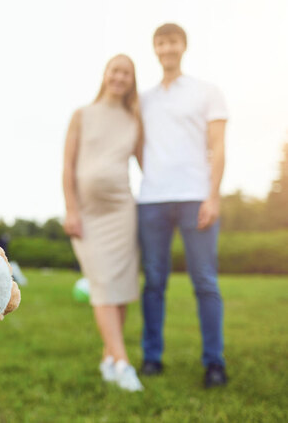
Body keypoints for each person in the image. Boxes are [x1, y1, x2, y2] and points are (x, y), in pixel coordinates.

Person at [138, 23, 228, 388]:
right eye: (161, 42)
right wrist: (154, 176)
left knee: (205, 280)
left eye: (172, 41)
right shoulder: (144, 99)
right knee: (154, 283)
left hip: (196, 198)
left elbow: (219, 145)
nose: (167, 48)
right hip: (152, 200)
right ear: (155, 49)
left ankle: (214, 363)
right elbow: (138, 146)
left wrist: (213, 194)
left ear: (183, 46)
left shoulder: (207, 92)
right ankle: (151, 358)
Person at [62, 54, 144, 392]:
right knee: (104, 283)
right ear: (106, 74)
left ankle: (111, 357)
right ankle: (123, 364)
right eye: (115, 71)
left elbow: (147, 163)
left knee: (121, 287)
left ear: (132, 80)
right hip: (89, 214)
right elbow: (67, 166)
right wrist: (71, 209)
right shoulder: (82, 115)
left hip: (123, 211)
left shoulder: (134, 120)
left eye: (127, 73)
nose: (120, 78)